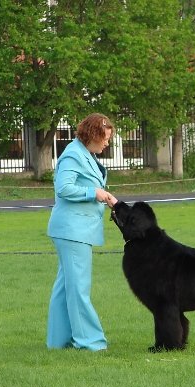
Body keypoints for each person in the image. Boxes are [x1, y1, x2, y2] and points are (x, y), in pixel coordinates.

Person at [46, 112, 118, 352]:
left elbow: (86, 184)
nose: (107, 143)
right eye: (105, 138)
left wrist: (104, 194)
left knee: (65, 286)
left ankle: (58, 341)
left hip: (73, 229)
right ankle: (90, 342)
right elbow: (64, 188)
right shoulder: (73, 155)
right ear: (93, 135)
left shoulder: (83, 153)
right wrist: (94, 193)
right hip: (72, 230)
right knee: (78, 288)